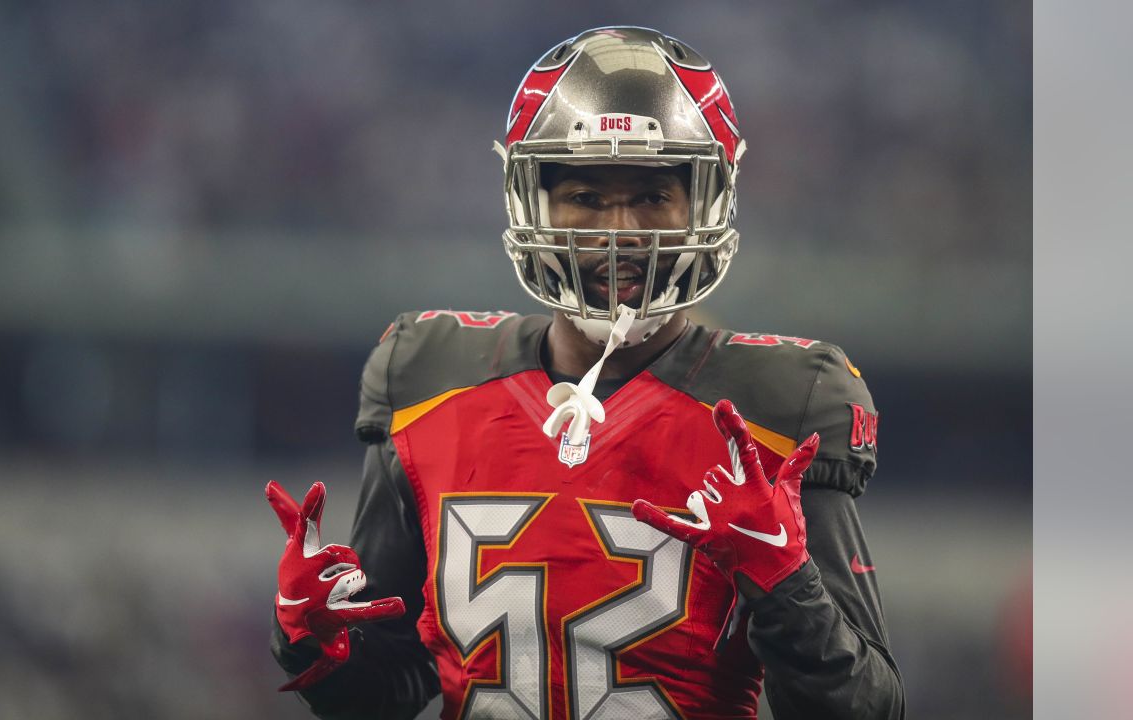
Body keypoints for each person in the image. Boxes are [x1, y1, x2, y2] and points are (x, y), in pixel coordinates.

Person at [266, 26, 905, 719]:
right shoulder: (429, 388)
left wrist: (787, 586)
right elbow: (385, 691)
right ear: (530, 199)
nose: (618, 232)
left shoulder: (777, 411)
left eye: (654, 197)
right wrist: (311, 641)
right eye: (586, 196)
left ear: (708, 199)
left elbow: (868, 710)